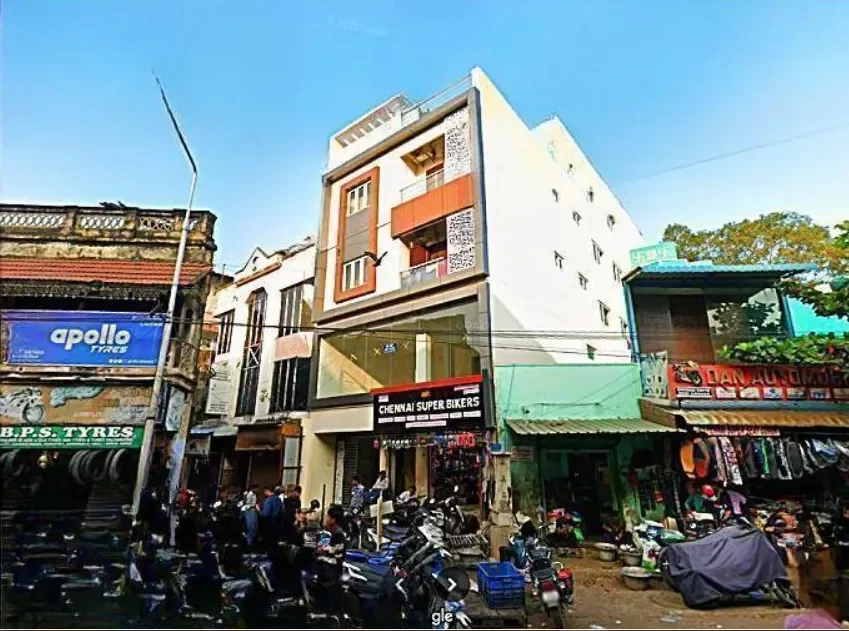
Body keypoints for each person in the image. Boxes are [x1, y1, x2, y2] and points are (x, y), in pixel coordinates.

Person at [314, 505, 347, 616]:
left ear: (333, 519)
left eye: (328, 516)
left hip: (331, 569)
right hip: (324, 567)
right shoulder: (327, 531)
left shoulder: (338, 533)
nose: (326, 518)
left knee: (329, 595)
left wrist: (325, 550)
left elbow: (338, 554)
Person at [241, 484, 259, 549]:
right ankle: (249, 544)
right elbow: (247, 504)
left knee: (254, 527)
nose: (258, 490)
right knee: (250, 527)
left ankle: (251, 543)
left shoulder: (254, 494)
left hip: (252, 510)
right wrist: (254, 506)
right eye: (257, 489)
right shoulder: (250, 494)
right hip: (250, 511)